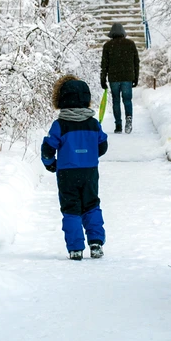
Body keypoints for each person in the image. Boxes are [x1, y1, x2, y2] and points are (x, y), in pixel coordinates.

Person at [41, 75, 108, 260]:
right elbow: (102, 145)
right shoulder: (94, 124)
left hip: (66, 174)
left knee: (71, 208)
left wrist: (51, 164)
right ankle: (95, 243)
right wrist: (89, 155)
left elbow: (48, 148)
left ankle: (75, 248)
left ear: (62, 99)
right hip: (90, 172)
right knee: (92, 205)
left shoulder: (60, 125)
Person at [100, 23, 140, 134]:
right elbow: (136, 62)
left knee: (116, 101)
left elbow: (104, 65)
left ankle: (118, 125)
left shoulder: (107, 46)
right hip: (127, 77)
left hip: (114, 78)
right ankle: (129, 118)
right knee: (127, 100)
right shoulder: (130, 44)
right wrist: (136, 77)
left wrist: (103, 79)